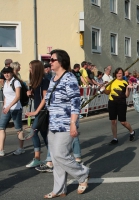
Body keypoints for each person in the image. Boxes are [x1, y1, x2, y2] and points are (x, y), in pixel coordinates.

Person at [44, 49, 89, 198]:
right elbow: (48, 100)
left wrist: (73, 123)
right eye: (50, 60)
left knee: (60, 154)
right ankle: (59, 189)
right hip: (53, 124)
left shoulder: (69, 78)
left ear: (61, 61)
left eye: (52, 60)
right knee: (56, 159)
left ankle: (82, 174)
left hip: (66, 123)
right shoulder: (53, 78)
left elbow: (75, 102)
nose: (49, 62)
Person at [25, 60, 51, 168]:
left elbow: (45, 97)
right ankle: (51, 157)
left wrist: (36, 111)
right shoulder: (35, 81)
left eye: (31, 68)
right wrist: (30, 94)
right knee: (44, 135)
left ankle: (37, 158)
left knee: (33, 132)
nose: (29, 70)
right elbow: (37, 97)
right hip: (39, 111)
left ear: (36, 68)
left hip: (42, 111)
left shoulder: (44, 80)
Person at [102, 67, 135, 145]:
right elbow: (107, 92)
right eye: (117, 73)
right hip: (112, 102)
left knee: (123, 122)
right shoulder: (112, 82)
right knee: (113, 121)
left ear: (122, 74)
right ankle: (115, 138)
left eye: (120, 73)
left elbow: (126, 95)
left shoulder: (125, 82)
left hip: (121, 103)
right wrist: (103, 90)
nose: (119, 74)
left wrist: (127, 88)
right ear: (115, 74)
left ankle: (132, 131)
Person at [0, 67, 25, 156]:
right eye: (4, 73)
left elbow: (17, 96)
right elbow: (6, 96)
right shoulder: (5, 83)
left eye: (8, 73)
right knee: (1, 128)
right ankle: (1, 150)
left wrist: (9, 106)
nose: (6, 74)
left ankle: (21, 148)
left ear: (12, 73)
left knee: (18, 129)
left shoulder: (16, 82)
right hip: (7, 108)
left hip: (16, 109)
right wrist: (4, 106)